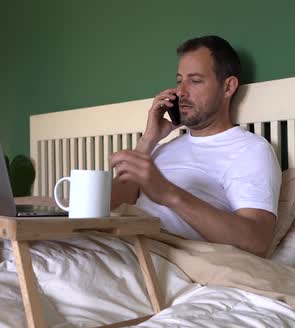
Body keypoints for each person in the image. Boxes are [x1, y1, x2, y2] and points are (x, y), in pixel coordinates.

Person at [109, 36, 281, 256]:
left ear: (228, 87)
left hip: (157, 255)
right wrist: (149, 139)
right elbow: (109, 207)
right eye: (179, 80)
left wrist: (168, 193)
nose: (180, 91)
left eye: (195, 80)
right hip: (117, 242)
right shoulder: (163, 148)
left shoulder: (250, 150)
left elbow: (256, 241)